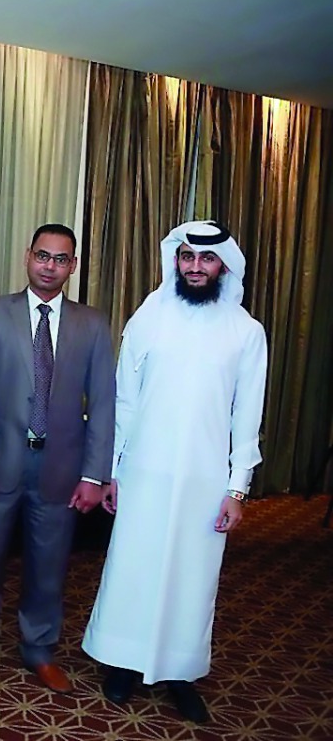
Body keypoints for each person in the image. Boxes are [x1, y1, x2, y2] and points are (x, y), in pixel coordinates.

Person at [82, 221, 267, 724]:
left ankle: (179, 673)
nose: (195, 267)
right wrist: (112, 470)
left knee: (193, 577)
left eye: (206, 259)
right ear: (176, 261)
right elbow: (124, 400)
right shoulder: (149, 318)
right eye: (187, 257)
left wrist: (237, 489)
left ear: (223, 265)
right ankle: (123, 661)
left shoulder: (246, 332)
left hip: (204, 480)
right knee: (133, 567)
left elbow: (247, 416)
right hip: (144, 471)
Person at [0, 223, 115, 694]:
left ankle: (40, 648)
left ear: (73, 266)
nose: (50, 266)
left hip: (61, 468)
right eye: (43, 256)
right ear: (28, 257)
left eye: (61, 259)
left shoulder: (92, 324)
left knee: (50, 565)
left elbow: (103, 403)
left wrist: (94, 475)